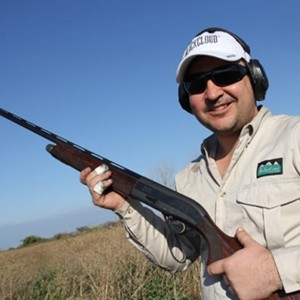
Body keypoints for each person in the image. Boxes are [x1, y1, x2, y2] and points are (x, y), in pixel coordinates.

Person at [80, 27, 300, 299]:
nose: (212, 93)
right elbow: (177, 255)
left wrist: (276, 270)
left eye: (226, 75)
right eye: (196, 84)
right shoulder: (188, 178)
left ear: (255, 78)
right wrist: (124, 205)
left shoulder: (295, 137)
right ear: (186, 100)